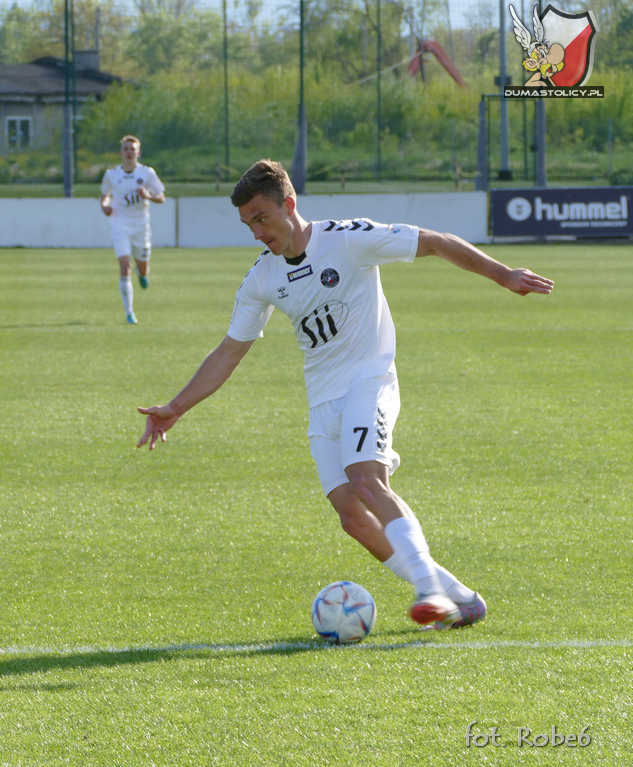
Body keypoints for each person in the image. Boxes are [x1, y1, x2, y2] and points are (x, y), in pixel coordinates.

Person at [136, 160, 554, 628]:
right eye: (248, 224)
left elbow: (433, 242)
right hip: (323, 401)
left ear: (288, 205)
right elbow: (230, 352)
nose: (256, 232)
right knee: (352, 518)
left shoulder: (349, 238)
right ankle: (460, 597)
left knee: (366, 479)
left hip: (369, 381)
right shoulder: (262, 278)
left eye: (262, 218)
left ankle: (429, 591)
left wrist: (503, 275)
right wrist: (176, 407)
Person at [99, 135, 166, 324]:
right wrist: (104, 206)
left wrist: (148, 196)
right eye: (126, 149)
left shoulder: (147, 173)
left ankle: (142, 274)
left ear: (138, 153)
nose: (129, 152)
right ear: (121, 153)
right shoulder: (112, 174)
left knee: (142, 267)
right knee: (125, 264)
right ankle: (129, 312)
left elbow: (161, 197)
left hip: (141, 226)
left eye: (132, 149)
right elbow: (104, 195)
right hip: (120, 225)